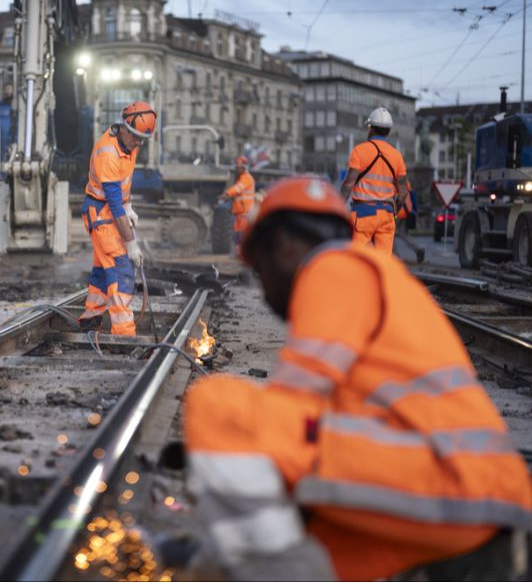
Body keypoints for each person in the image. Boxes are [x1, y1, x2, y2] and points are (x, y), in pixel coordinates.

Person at [182, 176, 532, 581]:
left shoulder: (335, 268)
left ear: (283, 247)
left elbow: (288, 409)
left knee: (222, 408)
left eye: (260, 272)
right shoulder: (380, 275)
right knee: (311, 556)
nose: (265, 292)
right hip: (473, 506)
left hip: (446, 482)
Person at [77, 101, 156, 336]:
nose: (138, 143)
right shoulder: (107, 154)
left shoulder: (131, 143)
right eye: (135, 137)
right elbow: (113, 205)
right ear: (123, 127)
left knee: (104, 268)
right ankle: (123, 332)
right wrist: (131, 244)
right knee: (121, 267)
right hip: (101, 211)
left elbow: (126, 180)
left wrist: (129, 204)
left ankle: (91, 318)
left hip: (108, 208)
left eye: (143, 138)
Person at [340, 106, 409, 255]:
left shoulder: (359, 151)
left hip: (363, 214)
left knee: (357, 258)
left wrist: (338, 208)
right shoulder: (397, 156)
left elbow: (348, 185)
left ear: (370, 128)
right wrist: (395, 211)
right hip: (387, 214)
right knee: (383, 262)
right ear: (389, 131)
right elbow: (403, 192)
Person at [223, 155, 256, 249]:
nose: (237, 169)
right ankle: (239, 250)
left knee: (242, 233)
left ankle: (243, 251)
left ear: (244, 168)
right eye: (237, 167)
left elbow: (238, 189)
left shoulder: (246, 178)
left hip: (245, 211)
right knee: (237, 234)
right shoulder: (241, 178)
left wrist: (227, 193)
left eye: (239, 168)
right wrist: (229, 197)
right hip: (239, 211)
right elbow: (238, 194)